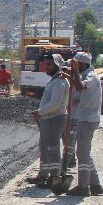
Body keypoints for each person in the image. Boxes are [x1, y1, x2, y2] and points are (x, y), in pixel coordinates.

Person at [26, 53, 70, 187]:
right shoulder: (54, 80)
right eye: (46, 64)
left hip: (54, 119)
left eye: (49, 64)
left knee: (52, 148)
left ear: (57, 65)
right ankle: (43, 175)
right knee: (45, 148)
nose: (46, 67)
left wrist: (39, 112)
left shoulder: (59, 82)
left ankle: (55, 177)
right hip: (48, 119)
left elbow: (55, 104)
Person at [65, 52, 103, 196]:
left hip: (88, 119)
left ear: (83, 64)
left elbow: (81, 88)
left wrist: (74, 72)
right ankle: (95, 185)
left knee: (82, 154)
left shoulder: (91, 77)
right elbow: (78, 92)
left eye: (76, 64)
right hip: (85, 118)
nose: (74, 66)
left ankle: (83, 187)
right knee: (84, 152)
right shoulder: (85, 75)